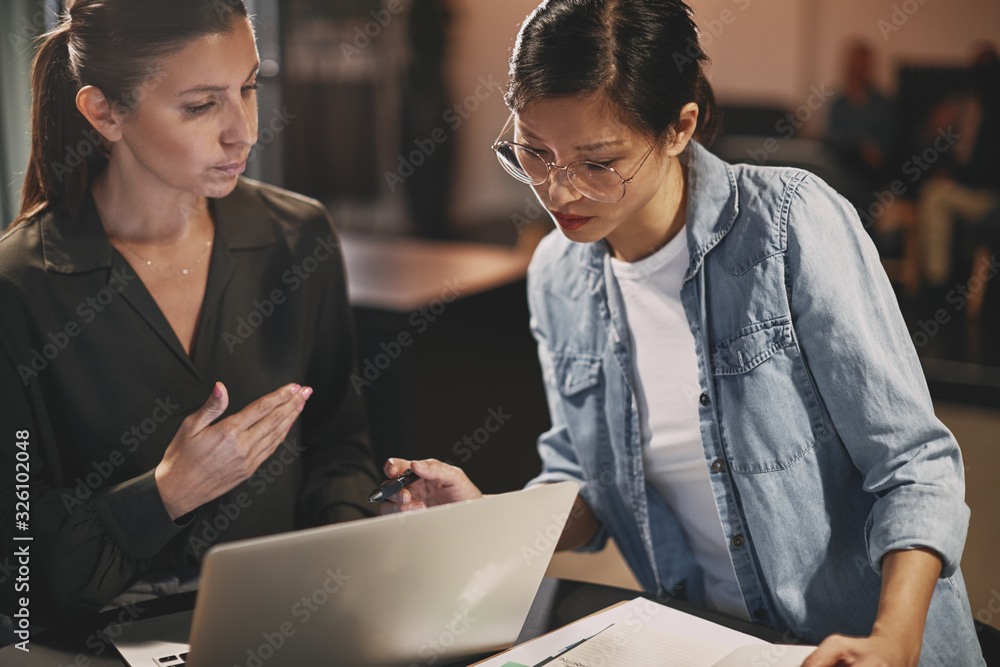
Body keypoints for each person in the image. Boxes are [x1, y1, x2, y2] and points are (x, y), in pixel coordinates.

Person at [378, 1, 984, 665]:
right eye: (534, 151)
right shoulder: (558, 273)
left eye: (597, 161)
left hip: (857, 642)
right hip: (703, 640)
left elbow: (913, 465)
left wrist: (893, 639)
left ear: (679, 127)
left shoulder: (788, 227)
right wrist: (489, 522)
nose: (558, 190)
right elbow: (592, 485)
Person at [0, 0, 377, 635]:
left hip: (291, 621)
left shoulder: (298, 235)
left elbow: (339, 447)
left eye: (250, 88)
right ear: (103, 112)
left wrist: (351, 551)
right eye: (201, 106)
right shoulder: (19, 288)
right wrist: (166, 494)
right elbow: (19, 573)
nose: (245, 132)